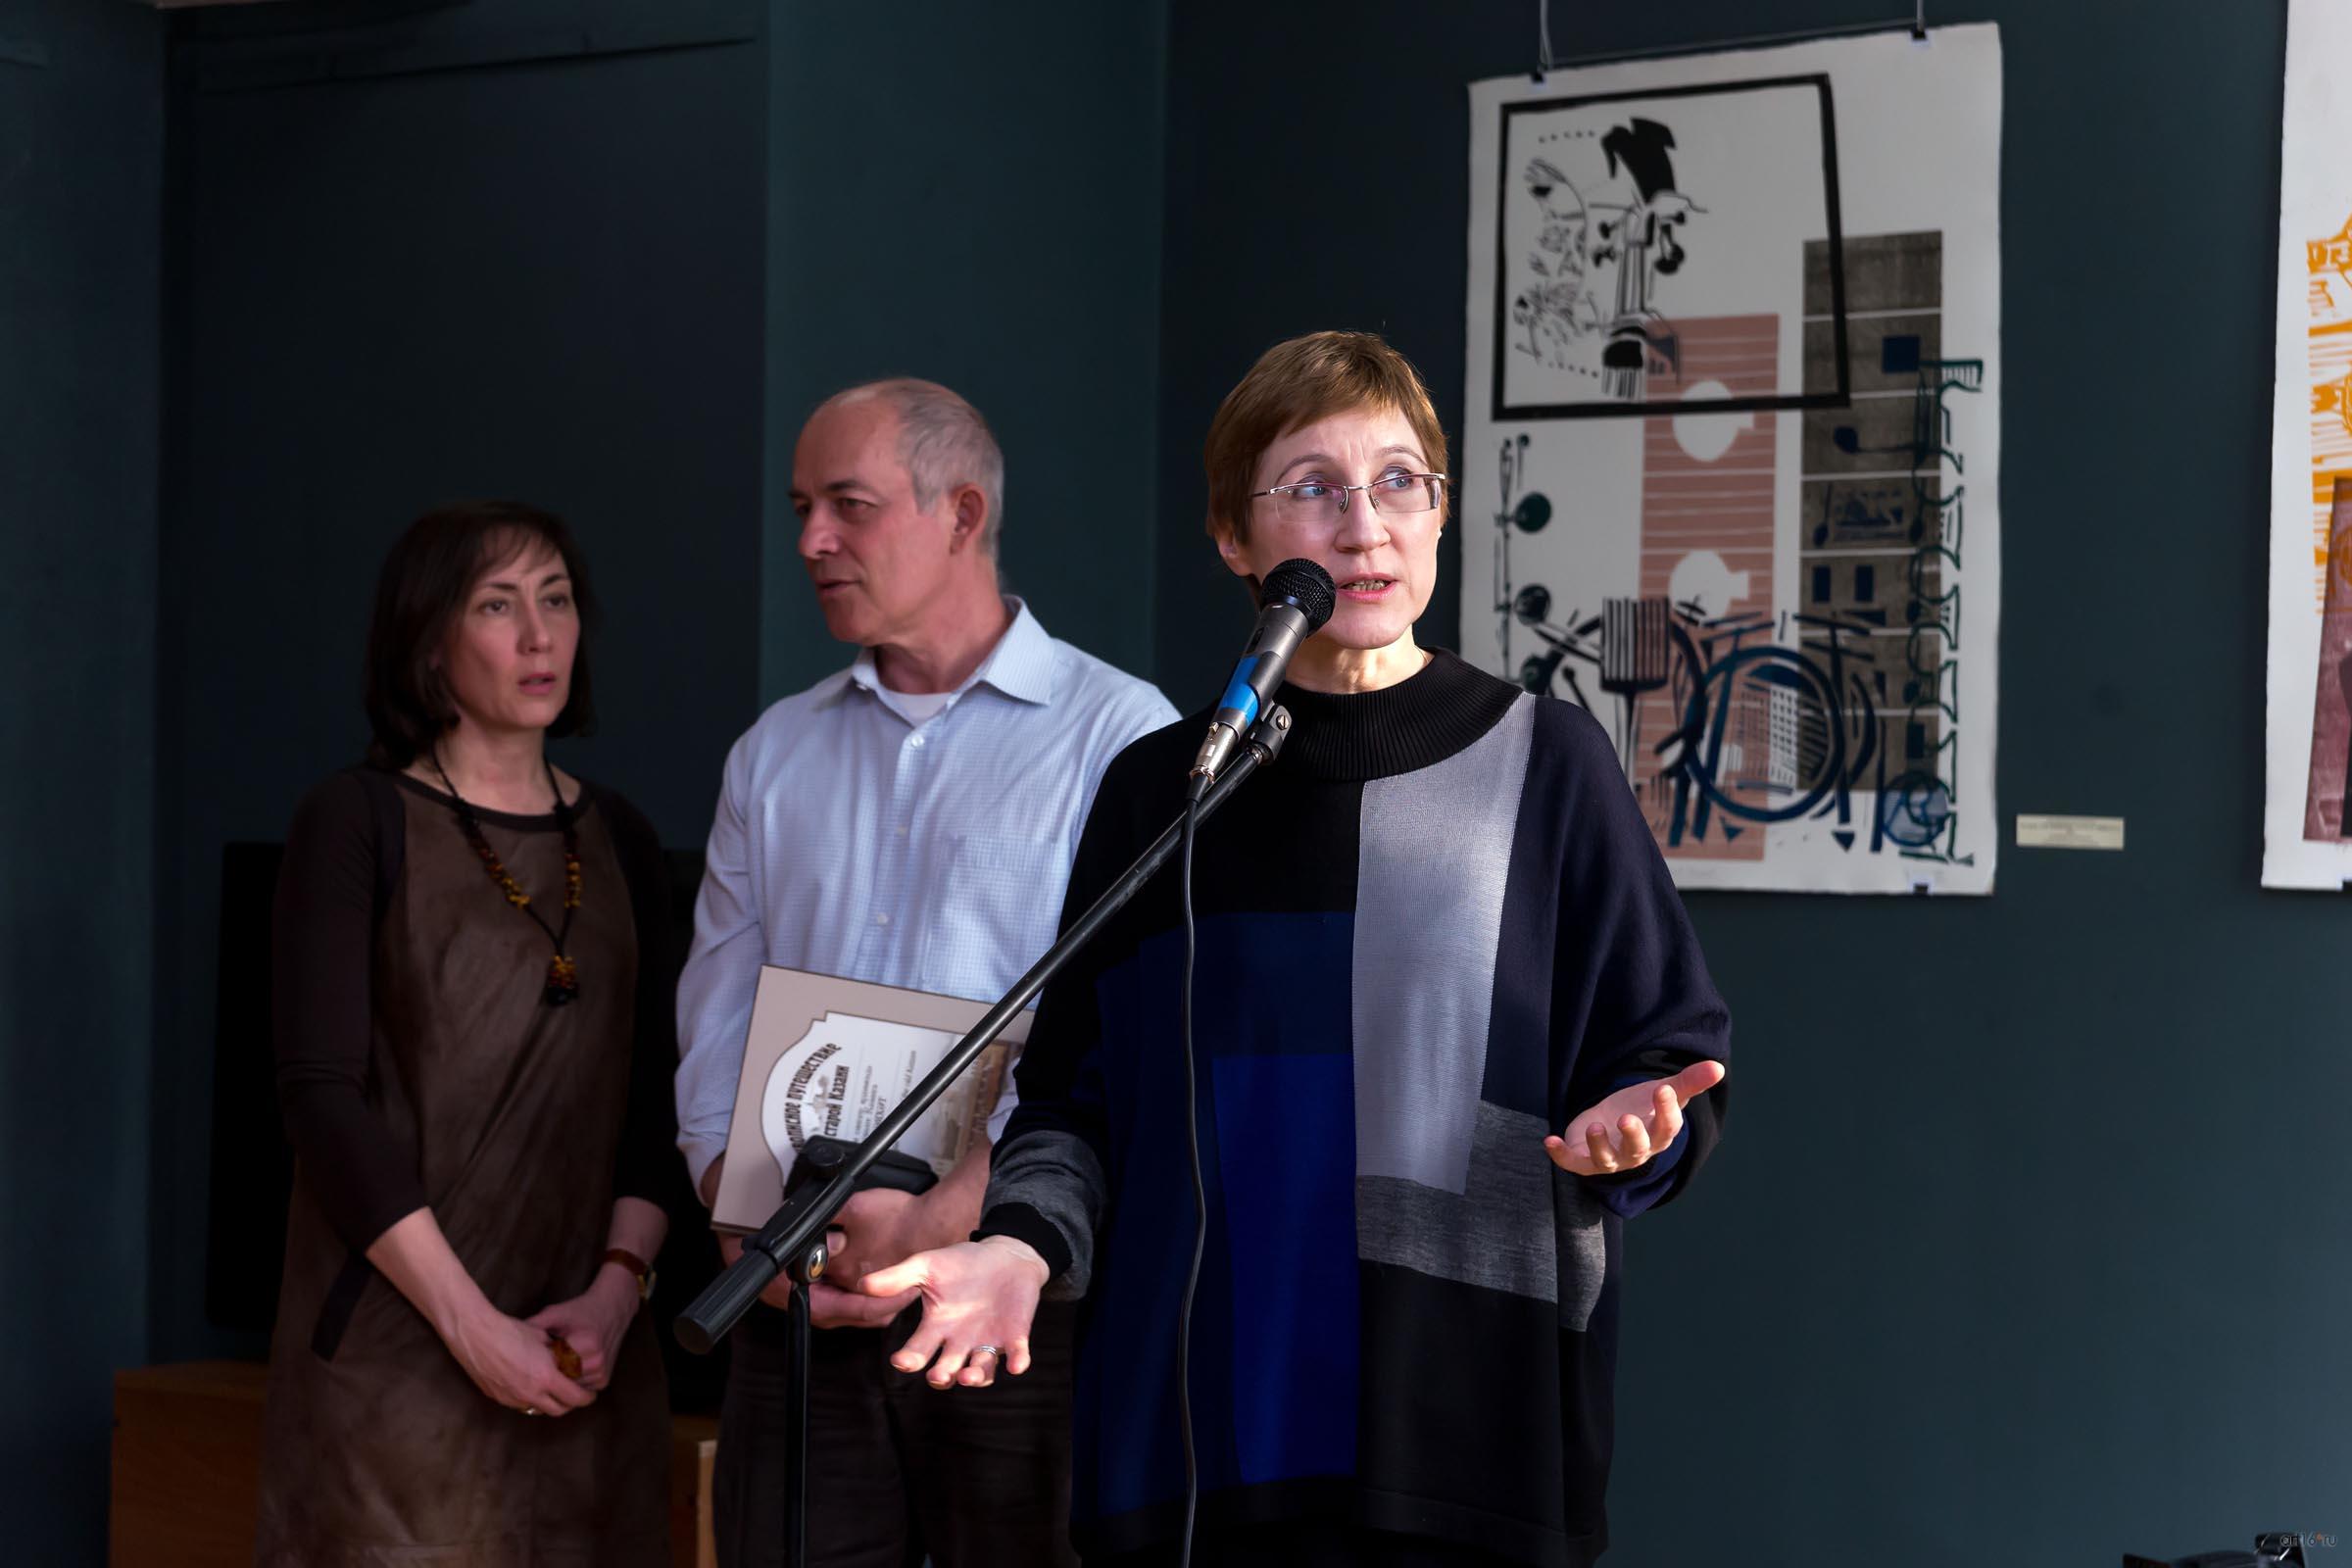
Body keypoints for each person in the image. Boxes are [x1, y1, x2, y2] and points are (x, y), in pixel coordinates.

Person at [858, 331, 1733, 1568]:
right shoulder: (1164, 790)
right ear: (1234, 536)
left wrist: (1636, 1125)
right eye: (1313, 488)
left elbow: (1665, 1056)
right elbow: (1072, 1105)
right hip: (1200, 1446)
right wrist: (1020, 1243)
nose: (1364, 526)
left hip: (1464, 1437)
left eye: (1399, 482)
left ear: (1441, 513)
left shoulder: (1550, 765)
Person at [674, 378, 1178, 1568]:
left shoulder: (1124, 738)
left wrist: (950, 1217)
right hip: (788, 1295)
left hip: (1015, 1301)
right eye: (802, 508)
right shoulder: (774, 752)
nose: (812, 539)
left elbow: (1133, 1036)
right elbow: (716, 1015)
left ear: (962, 514)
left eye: (848, 505)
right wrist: (743, 1217)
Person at [254, 502, 682, 1565]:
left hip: (588, 1365)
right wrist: (471, 1326)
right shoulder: (356, 820)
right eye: (497, 606)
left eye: (557, 600)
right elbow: (321, 1099)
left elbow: (660, 1100)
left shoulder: (625, 838)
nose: (539, 635)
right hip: (396, 1374)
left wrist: (616, 1296)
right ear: (429, 641)